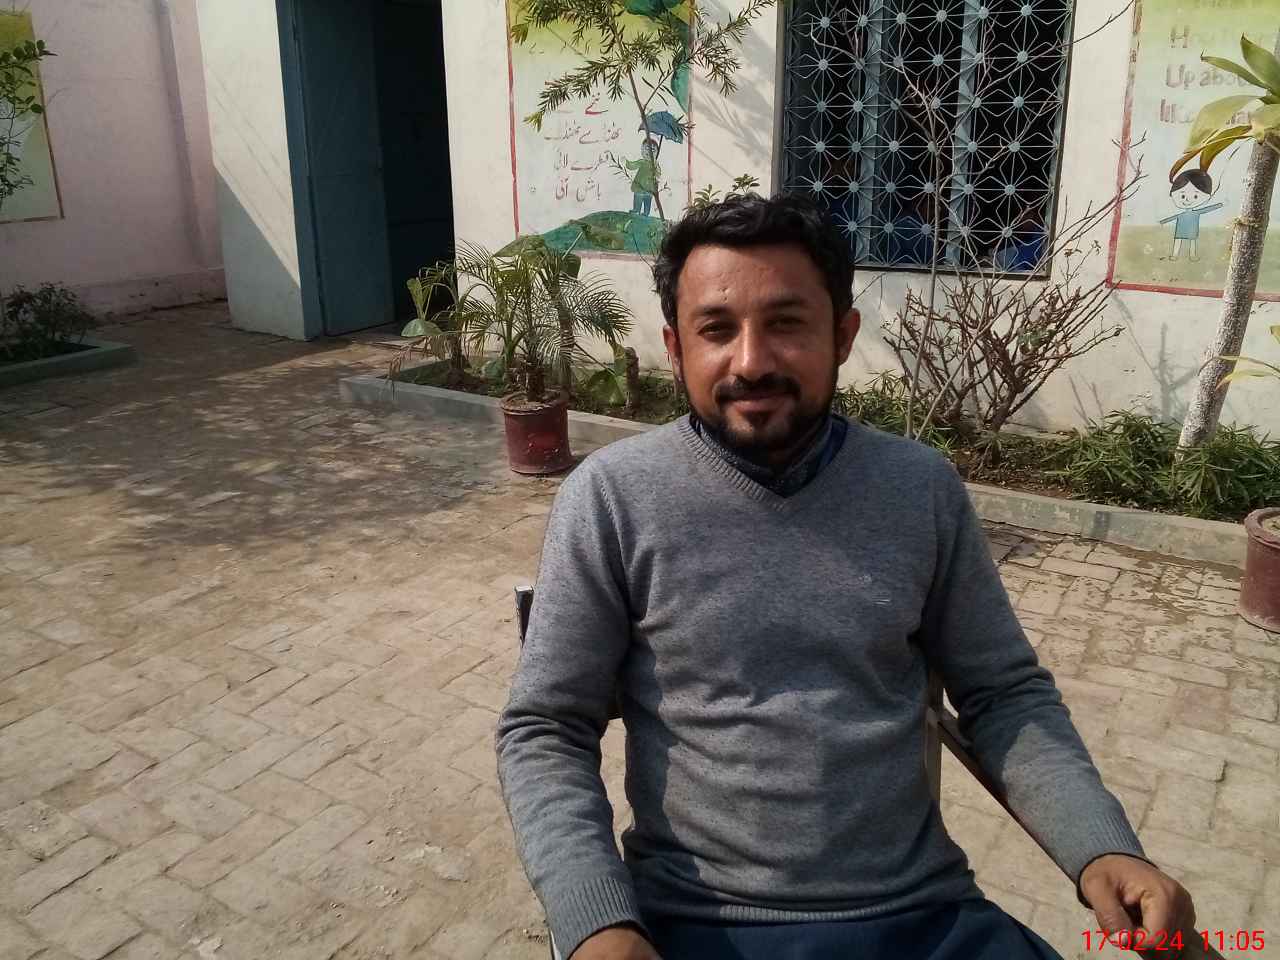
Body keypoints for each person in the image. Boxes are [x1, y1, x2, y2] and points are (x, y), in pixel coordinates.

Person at [496, 194, 1195, 960]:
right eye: (716, 330)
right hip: (696, 923)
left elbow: (1004, 693)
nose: (752, 361)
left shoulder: (919, 489)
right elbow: (545, 728)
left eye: (787, 323)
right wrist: (597, 922)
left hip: (926, 916)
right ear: (675, 348)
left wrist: (1103, 846)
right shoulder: (612, 499)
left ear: (842, 335)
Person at [1160, 169, 1223, 262]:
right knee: (1178, 241)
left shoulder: (1196, 213)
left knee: (1191, 241)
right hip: (1180, 230)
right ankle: (1175, 255)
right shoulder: (1182, 214)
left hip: (1192, 230)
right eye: (1182, 196)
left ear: (1207, 197)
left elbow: (1207, 209)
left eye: (1195, 196)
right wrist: (1163, 222)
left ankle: (1192, 256)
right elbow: (1173, 217)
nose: (1187, 200)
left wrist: (1219, 205)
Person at [626, 138, 660, 218]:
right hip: (639, 186)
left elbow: (658, 174)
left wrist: (656, 169)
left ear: (657, 153)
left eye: (653, 150)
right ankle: (636, 210)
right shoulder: (642, 162)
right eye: (647, 149)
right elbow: (632, 166)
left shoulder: (655, 164)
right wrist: (626, 162)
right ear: (642, 150)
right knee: (638, 198)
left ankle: (646, 213)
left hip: (650, 187)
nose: (650, 152)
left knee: (648, 200)